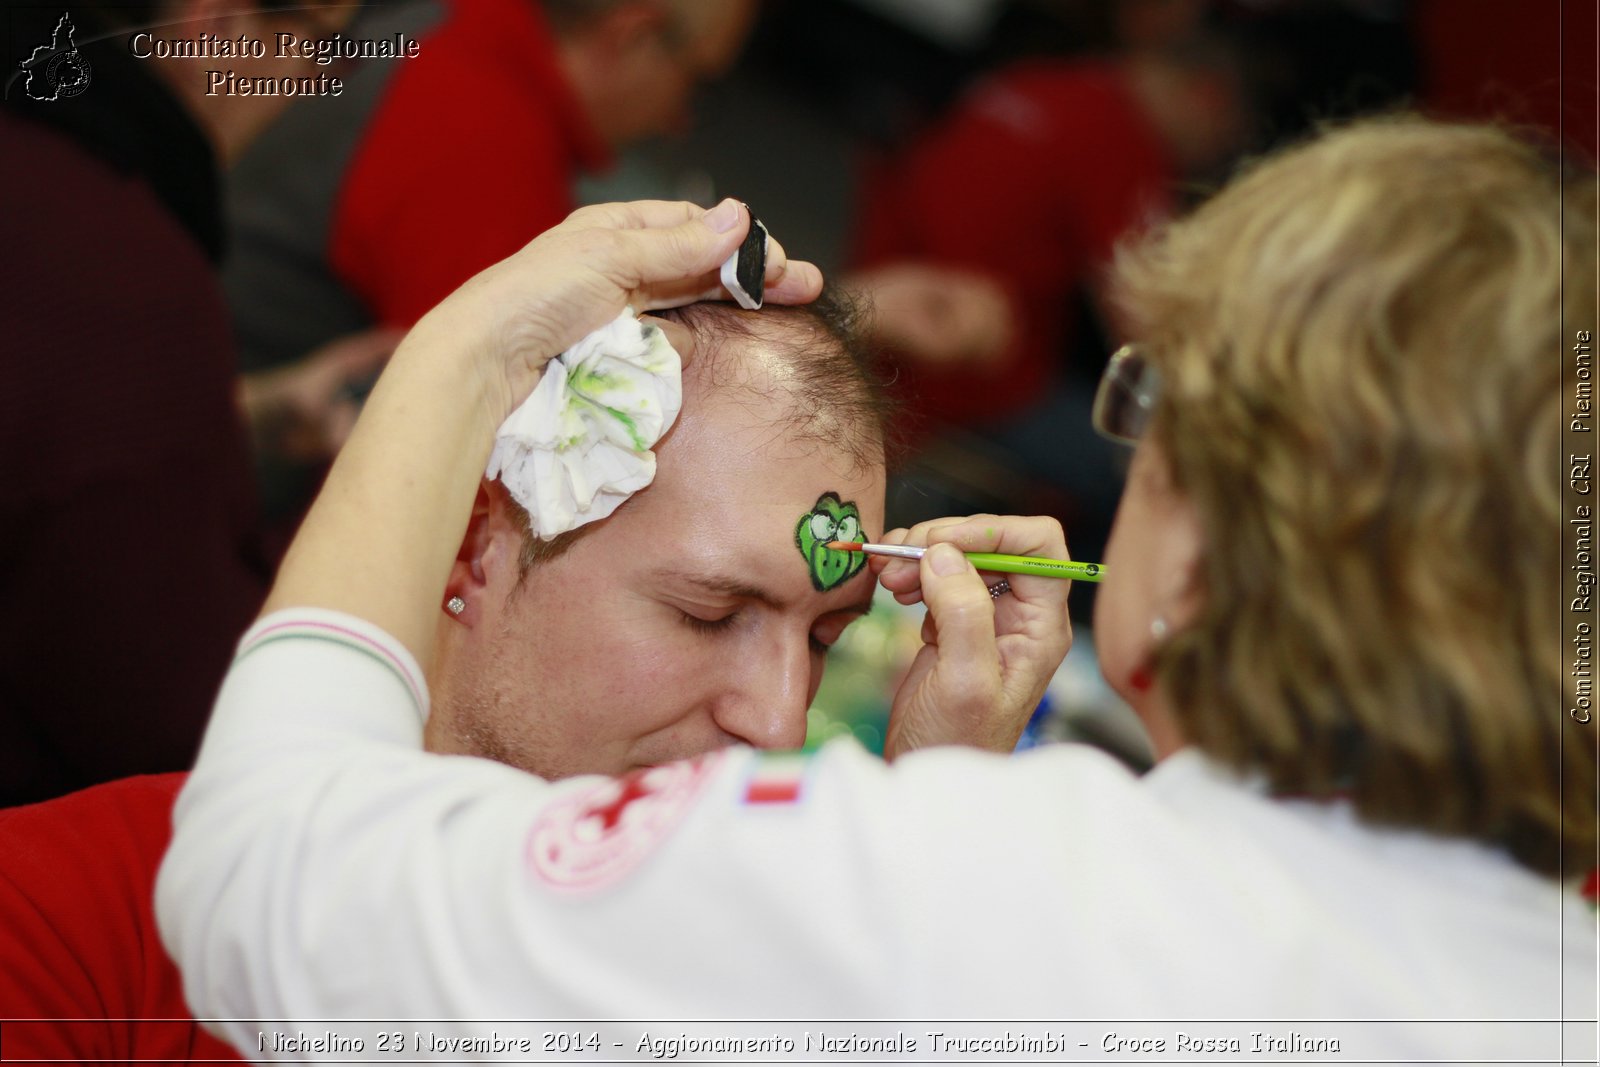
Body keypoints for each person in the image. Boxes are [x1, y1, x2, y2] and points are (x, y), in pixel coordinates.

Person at [159, 123, 1594, 1052]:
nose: (781, 713)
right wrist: (943, 807)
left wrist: (467, 350)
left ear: (1207, 551)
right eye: (712, 610)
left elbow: (258, 874)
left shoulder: (960, 893)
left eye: (1152, 419)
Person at [2, 249, 912, 1060]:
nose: (781, 717)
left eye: (825, 637)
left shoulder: (722, 991)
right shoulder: (76, 925)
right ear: (477, 545)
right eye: (710, 615)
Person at [0, 0, 390, 808]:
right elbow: (191, 725)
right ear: (218, 25)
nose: (311, 87)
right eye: (317, 47)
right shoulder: (115, 264)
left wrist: (246, 415)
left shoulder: (37, 159)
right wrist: (377, 488)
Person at [224, 0, 756, 521]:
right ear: (630, 34)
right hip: (231, 491)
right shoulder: (484, 137)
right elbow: (494, 464)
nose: (681, 120)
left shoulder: (458, 26)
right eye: (697, 79)